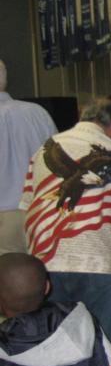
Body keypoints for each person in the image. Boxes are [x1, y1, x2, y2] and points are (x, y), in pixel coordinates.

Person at [19, 97, 111, 355]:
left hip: (47, 261)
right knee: (109, 344)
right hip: (98, 262)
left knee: (53, 341)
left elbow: (28, 204)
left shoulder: (44, 149)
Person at [0, 59, 57, 255]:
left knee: (10, 282)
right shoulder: (38, 113)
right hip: (42, 216)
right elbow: (59, 162)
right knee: (39, 279)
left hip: (3, 222)